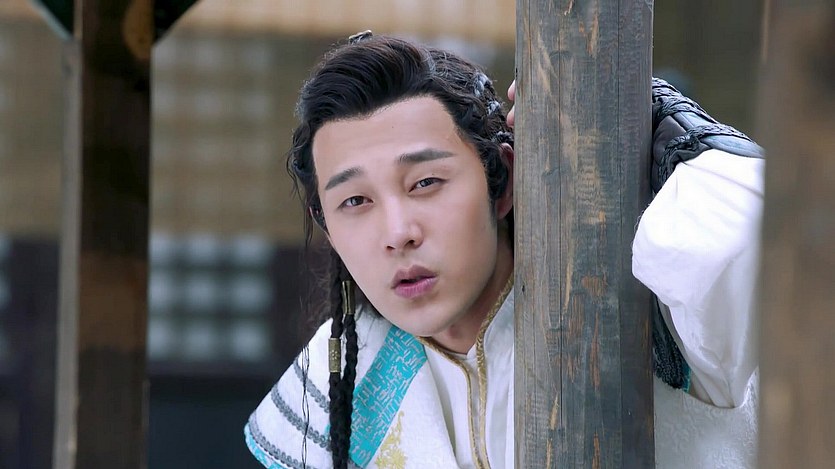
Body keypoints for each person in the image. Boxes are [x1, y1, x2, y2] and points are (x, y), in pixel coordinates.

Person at [245, 32, 764, 469]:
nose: (398, 232)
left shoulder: (654, 309)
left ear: (504, 180)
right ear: (327, 226)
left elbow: (757, 250)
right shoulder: (342, 380)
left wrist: (668, 128)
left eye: (426, 182)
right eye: (355, 200)